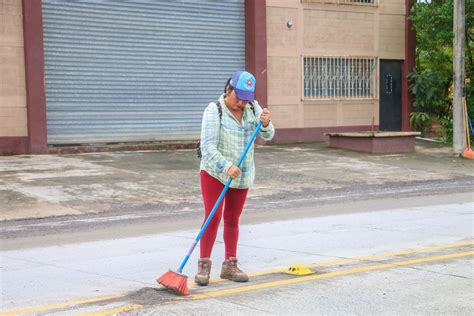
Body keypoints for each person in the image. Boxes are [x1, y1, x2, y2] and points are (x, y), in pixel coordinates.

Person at [195, 70, 275, 286]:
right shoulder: (215, 110)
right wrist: (226, 165)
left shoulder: (252, 107)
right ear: (228, 89)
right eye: (238, 97)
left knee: (233, 218)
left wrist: (266, 124)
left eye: (245, 99)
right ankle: (204, 265)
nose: (241, 102)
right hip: (215, 171)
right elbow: (207, 146)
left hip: (242, 174)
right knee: (213, 216)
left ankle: (230, 265)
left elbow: (268, 135)